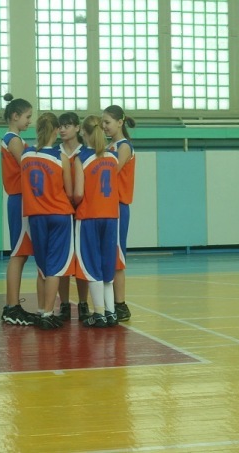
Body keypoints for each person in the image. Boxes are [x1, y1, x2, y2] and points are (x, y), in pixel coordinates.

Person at [21, 112, 75, 330]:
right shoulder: (61, 158)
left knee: (42, 267)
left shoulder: (26, 155)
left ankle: (41, 309)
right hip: (59, 215)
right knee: (55, 267)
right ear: (56, 130)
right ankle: (48, 313)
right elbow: (69, 191)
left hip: (36, 215)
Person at [73, 115, 120, 327]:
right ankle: (111, 312)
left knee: (91, 265)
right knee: (107, 265)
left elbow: (78, 193)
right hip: (111, 216)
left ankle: (98, 313)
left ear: (84, 132)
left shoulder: (81, 158)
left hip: (89, 217)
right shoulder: (113, 158)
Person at [0, 93, 38, 326]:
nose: (29, 121)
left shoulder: (14, 139)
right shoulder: (13, 139)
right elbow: (30, 166)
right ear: (15, 116)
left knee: (20, 253)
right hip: (20, 199)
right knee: (18, 253)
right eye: (27, 117)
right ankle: (12, 306)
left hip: (21, 199)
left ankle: (13, 305)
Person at [102, 105, 136, 322]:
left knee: (117, 256)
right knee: (108, 254)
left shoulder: (123, 147)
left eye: (107, 122)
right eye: (102, 123)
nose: (104, 126)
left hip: (118, 207)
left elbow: (110, 172)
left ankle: (121, 304)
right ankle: (108, 303)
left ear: (120, 122)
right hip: (106, 207)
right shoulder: (110, 146)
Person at [57, 112, 90, 322]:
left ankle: (83, 303)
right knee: (62, 260)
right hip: (60, 212)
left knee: (81, 259)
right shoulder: (54, 152)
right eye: (60, 126)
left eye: (67, 125)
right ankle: (64, 303)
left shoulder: (85, 153)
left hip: (82, 212)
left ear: (78, 128)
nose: (62, 129)